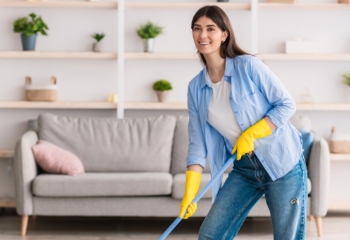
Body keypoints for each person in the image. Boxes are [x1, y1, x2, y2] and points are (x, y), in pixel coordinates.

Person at [179, 5, 308, 240]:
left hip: (283, 163)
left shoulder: (248, 66)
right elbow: (197, 146)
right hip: (245, 169)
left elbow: (286, 104)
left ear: (224, 34)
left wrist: (251, 134)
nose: (203, 35)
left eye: (211, 29)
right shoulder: (195, 88)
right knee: (210, 235)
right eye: (197, 29)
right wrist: (190, 193)